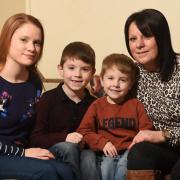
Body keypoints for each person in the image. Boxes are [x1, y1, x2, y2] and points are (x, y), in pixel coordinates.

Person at [0, 13, 74, 180]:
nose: (32, 48)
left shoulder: (34, 81)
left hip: (21, 153)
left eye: (37, 43)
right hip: (6, 154)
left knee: (66, 171)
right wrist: (23, 153)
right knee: (46, 172)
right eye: (23, 40)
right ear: (7, 39)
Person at [30, 41, 101, 180]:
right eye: (71, 68)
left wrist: (85, 141)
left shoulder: (94, 103)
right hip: (54, 151)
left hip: (82, 152)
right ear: (60, 69)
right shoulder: (48, 99)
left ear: (93, 73)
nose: (77, 74)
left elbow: (96, 135)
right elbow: (35, 139)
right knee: (68, 147)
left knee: (89, 156)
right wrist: (65, 137)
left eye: (85, 69)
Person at [77, 53, 153, 180]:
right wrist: (102, 143)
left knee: (124, 166)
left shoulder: (135, 105)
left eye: (122, 80)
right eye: (110, 78)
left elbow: (146, 130)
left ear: (130, 84)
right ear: (102, 80)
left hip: (129, 151)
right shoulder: (97, 105)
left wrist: (136, 145)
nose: (116, 84)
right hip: (106, 152)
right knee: (106, 166)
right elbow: (84, 131)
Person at [124, 8, 180, 180]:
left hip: (169, 141)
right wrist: (98, 85)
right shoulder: (131, 73)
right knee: (138, 153)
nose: (139, 45)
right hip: (164, 150)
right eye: (133, 39)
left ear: (161, 38)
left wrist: (163, 134)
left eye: (146, 36)